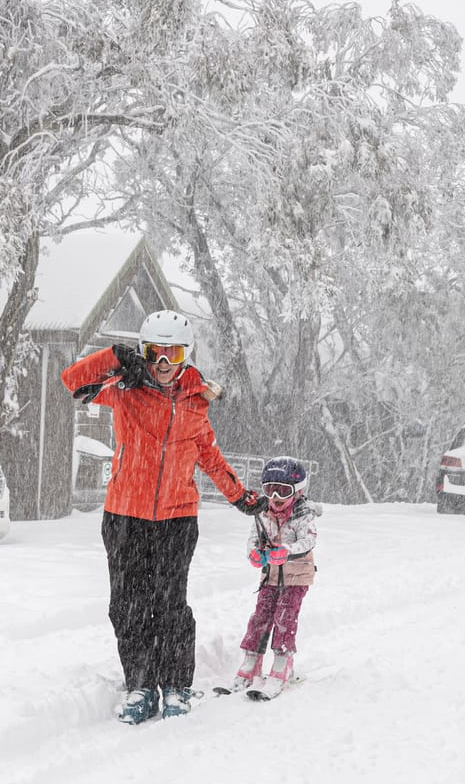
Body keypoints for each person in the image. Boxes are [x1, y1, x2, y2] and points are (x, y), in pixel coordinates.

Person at [61, 310, 263, 725]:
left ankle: (174, 685)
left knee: (170, 604)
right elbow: (73, 382)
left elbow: (208, 455)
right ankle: (140, 684)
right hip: (124, 516)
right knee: (128, 605)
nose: (163, 364)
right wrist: (115, 359)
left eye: (173, 353)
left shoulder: (195, 399)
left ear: (186, 355)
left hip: (176, 519)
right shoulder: (123, 389)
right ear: (143, 352)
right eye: (154, 352)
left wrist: (239, 496)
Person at [223, 456, 320, 699]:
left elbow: (308, 540)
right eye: (270, 490)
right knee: (260, 616)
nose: (275, 498)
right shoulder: (262, 513)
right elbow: (253, 539)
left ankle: (282, 664)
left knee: (285, 615)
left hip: (296, 577)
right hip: (270, 577)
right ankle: (251, 662)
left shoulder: (303, 514)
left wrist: (287, 551)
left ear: (297, 492)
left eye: (282, 491)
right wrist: (254, 553)